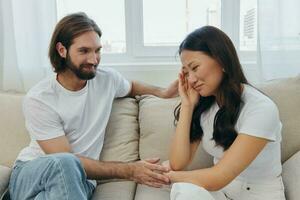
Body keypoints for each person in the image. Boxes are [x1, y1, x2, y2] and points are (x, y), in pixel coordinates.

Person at [7, 12, 178, 200]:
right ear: (62, 50)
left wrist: (163, 92)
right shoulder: (40, 99)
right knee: (65, 163)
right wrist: (129, 170)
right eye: (84, 51)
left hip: (79, 183)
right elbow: (64, 160)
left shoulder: (107, 80)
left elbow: (132, 87)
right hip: (30, 175)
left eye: (97, 50)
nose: (94, 59)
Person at [165, 26, 286, 200]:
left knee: (179, 183)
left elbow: (219, 177)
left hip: (259, 194)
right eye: (186, 73)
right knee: (184, 190)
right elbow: (178, 163)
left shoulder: (261, 108)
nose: (190, 79)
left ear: (221, 60)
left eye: (195, 67)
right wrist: (187, 105)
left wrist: (167, 176)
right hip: (222, 193)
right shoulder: (205, 105)